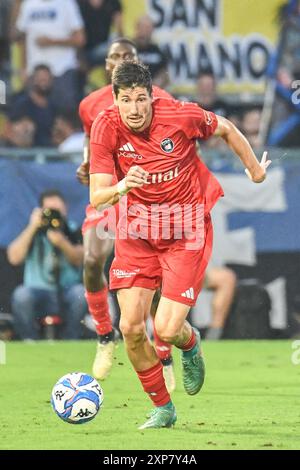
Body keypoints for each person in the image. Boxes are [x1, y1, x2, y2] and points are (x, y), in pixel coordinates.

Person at [89, 61, 271, 429]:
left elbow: (226, 128)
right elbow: (98, 196)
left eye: (141, 99)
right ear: (115, 100)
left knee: (168, 330)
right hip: (137, 235)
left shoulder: (181, 115)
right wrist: (123, 187)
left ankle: (189, 344)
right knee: (132, 329)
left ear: (152, 97)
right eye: (127, 100)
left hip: (184, 232)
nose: (135, 109)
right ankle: (163, 408)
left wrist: (254, 169)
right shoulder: (105, 126)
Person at [77, 38, 175, 390]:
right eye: (115, 57)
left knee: (155, 280)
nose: (120, 61)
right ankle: (105, 336)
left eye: (127, 56)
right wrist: (86, 163)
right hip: (109, 195)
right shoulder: (90, 105)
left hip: (147, 199)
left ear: (138, 63)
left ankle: (163, 351)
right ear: (106, 64)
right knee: (91, 260)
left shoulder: (159, 98)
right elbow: (94, 143)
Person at [7, 190, 86, 340]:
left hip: (66, 290)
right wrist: (32, 227)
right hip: (37, 291)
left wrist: (62, 242)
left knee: (80, 294)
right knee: (21, 295)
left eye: (57, 210)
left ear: (65, 209)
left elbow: (79, 259)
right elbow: (14, 258)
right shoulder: (32, 230)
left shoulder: (73, 229)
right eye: (49, 211)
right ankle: (29, 340)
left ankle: (71, 340)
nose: (53, 215)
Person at [14, 0, 86, 109]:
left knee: (64, 118)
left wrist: (51, 42)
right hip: (34, 73)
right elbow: (22, 39)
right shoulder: (28, 4)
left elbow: (80, 39)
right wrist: (23, 68)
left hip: (62, 71)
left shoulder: (67, 3)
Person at [9, 64, 57, 147]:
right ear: (34, 80)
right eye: (41, 79)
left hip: (49, 153)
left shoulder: (53, 106)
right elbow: (10, 131)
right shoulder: (22, 104)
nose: (44, 82)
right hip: (28, 155)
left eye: (46, 79)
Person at [133, 15, 169, 88]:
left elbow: (164, 72)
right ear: (137, 28)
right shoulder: (128, 47)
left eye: (149, 28)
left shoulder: (157, 50)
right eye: (144, 27)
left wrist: (160, 81)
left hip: (153, 90)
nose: (147, 31)